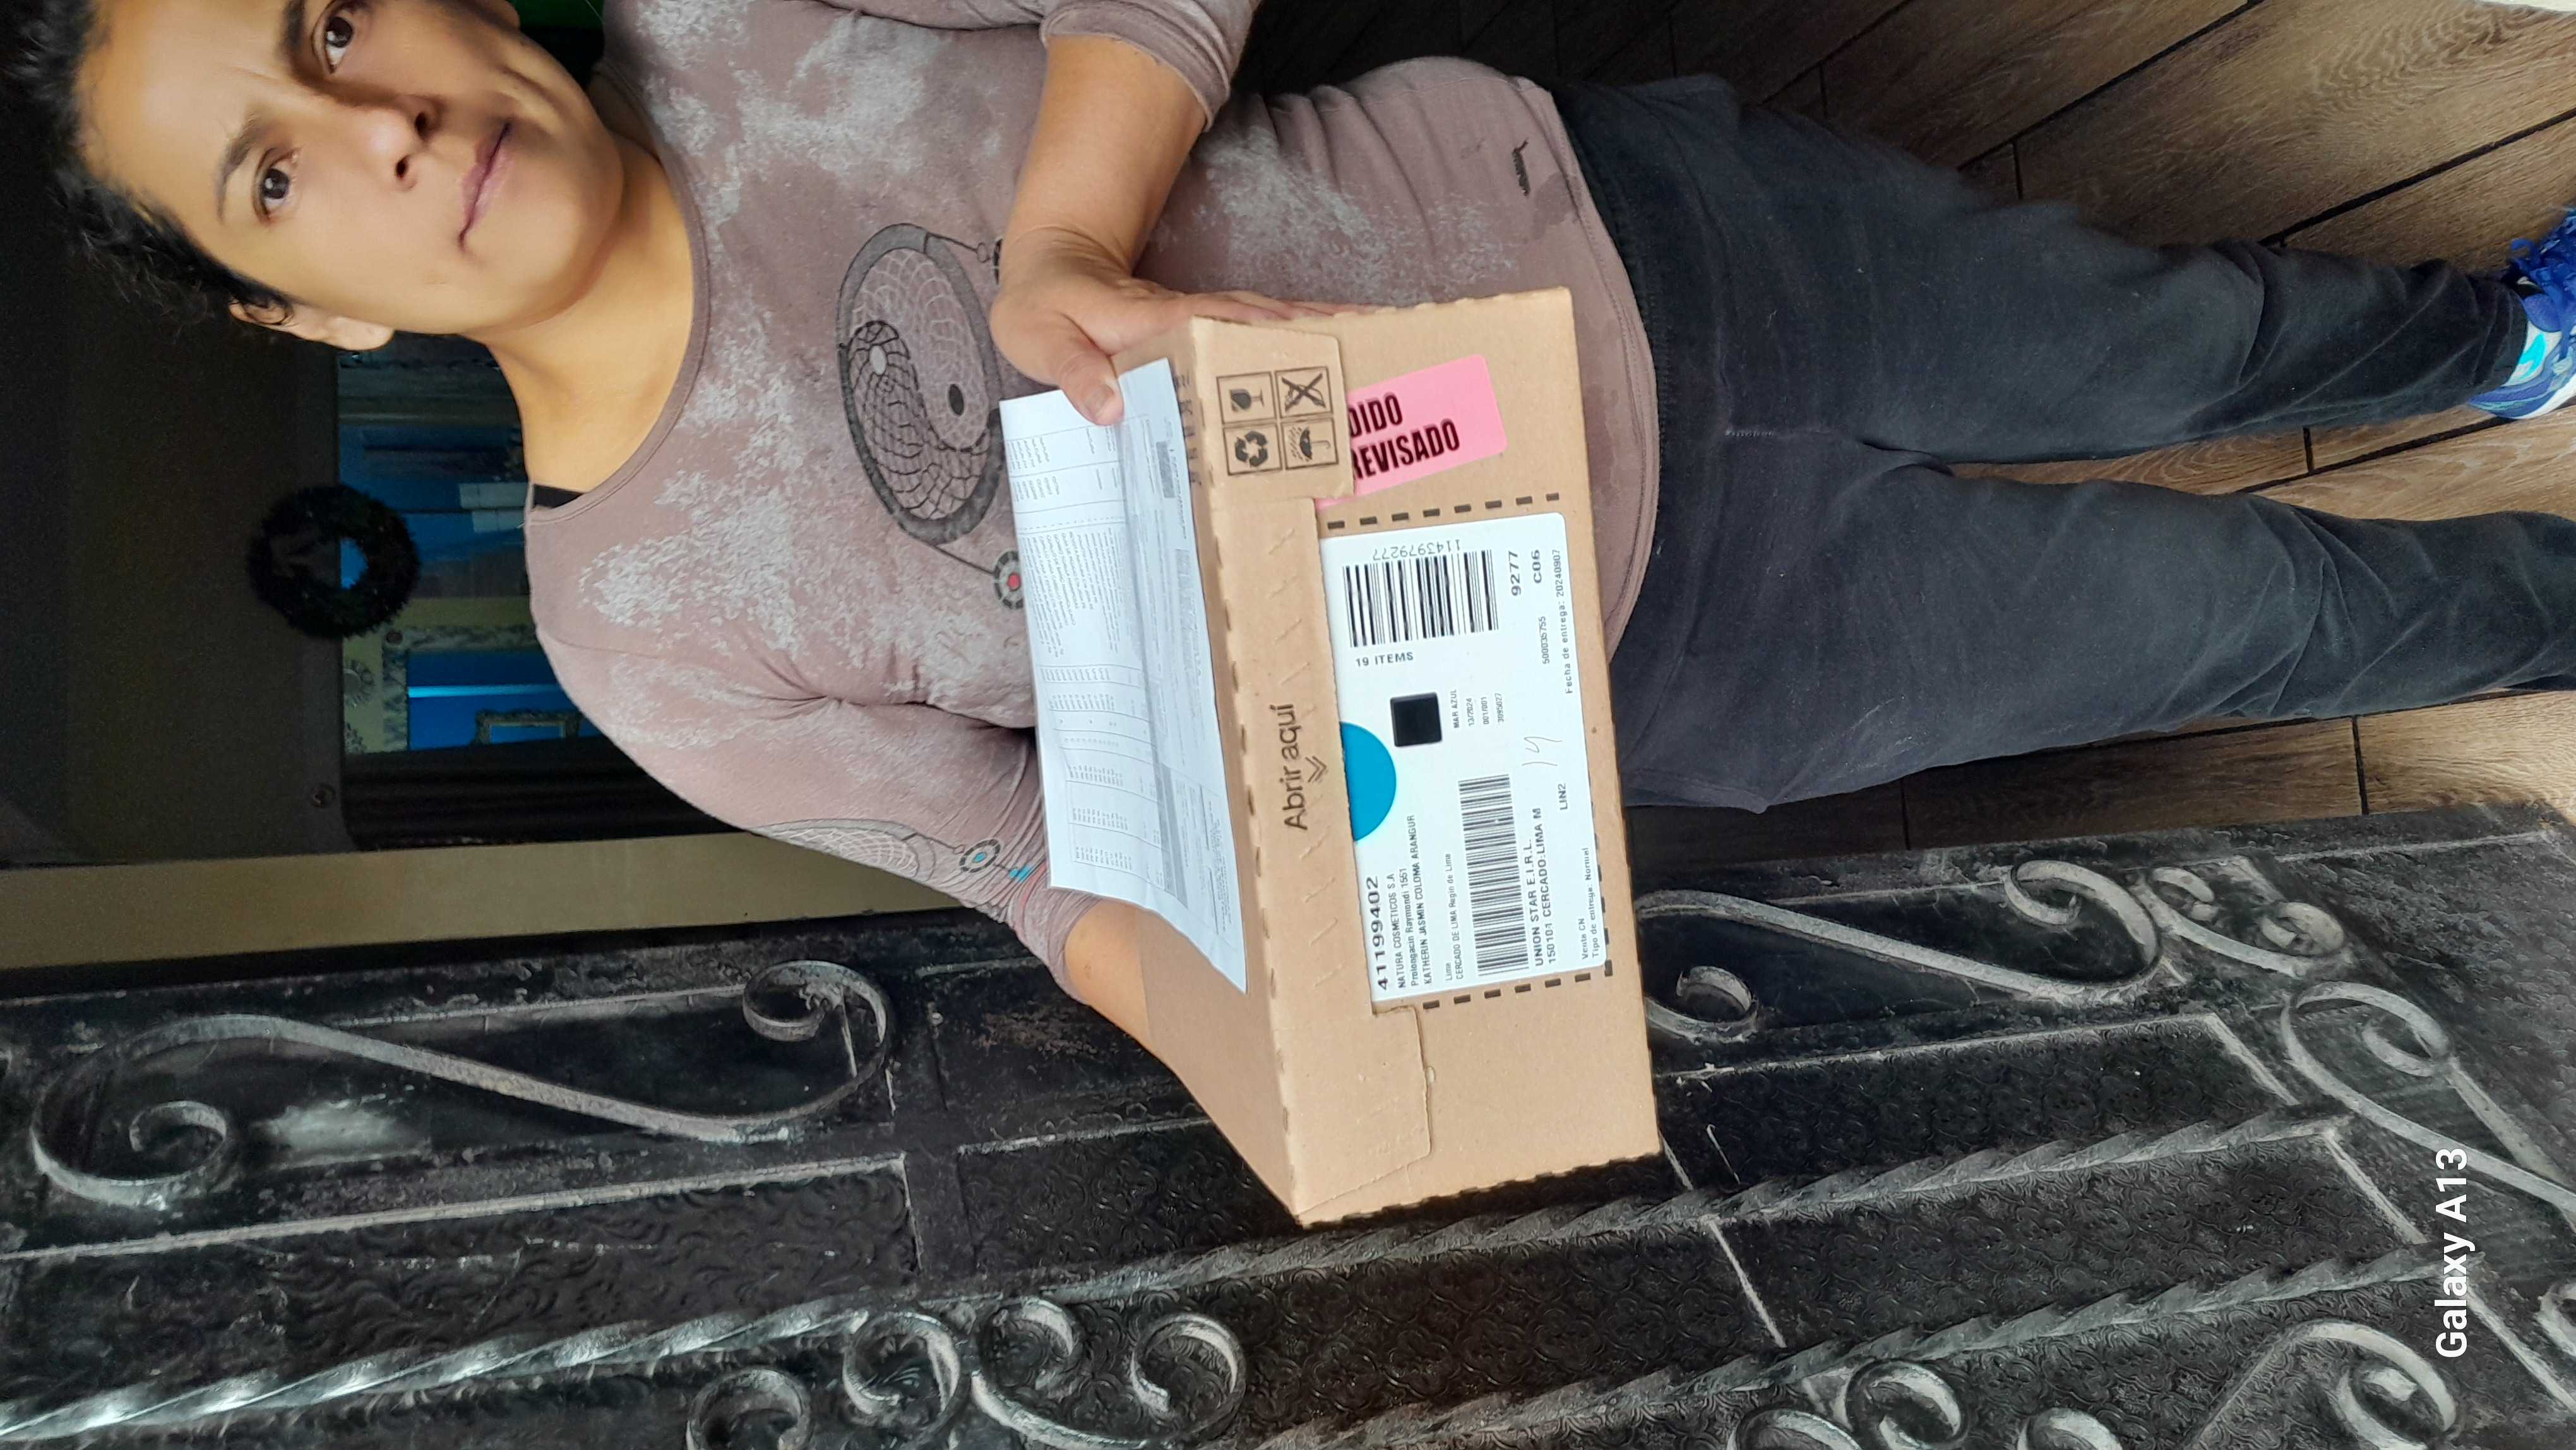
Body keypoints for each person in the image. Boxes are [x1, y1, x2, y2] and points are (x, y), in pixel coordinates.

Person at [29, 0, 2576, 1047]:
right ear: (295, 305)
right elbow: (1053, 883)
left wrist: (1065, 235)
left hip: (1644, 243)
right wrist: (1315, 1057)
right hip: (1659, 646)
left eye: (329, 18)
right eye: (281, 169)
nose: (377, 120)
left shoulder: (730, 19)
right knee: (2238, 623)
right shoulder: (641, 640)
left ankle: (2486, 344)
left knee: (2183, 336)